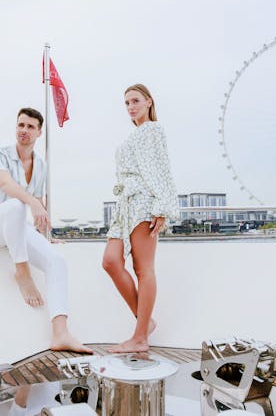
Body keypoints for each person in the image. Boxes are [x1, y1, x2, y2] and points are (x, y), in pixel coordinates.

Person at [0, 107, 92, 354]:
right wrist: (34, 202)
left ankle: (60, 333)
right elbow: (6, 185)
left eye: (29, 127)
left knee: (57, 261)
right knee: (16, 204)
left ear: (39, 132)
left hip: (17, 227)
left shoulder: (40, 165)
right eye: (20, 125)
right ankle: (22, 273)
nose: (23, 131)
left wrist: (45, 236)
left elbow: (38, 207)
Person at [102, 84, 179, 353]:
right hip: (126, 205)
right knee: (111, 261)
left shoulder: (152, 130)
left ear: (149, 102)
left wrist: (162, 207)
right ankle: (146, 324)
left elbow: (159, 169)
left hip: (144, 202)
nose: (131, 107)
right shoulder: (136, 135)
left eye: (135, 101)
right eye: (126, 103)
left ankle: (140, 337)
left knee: (143, 269)